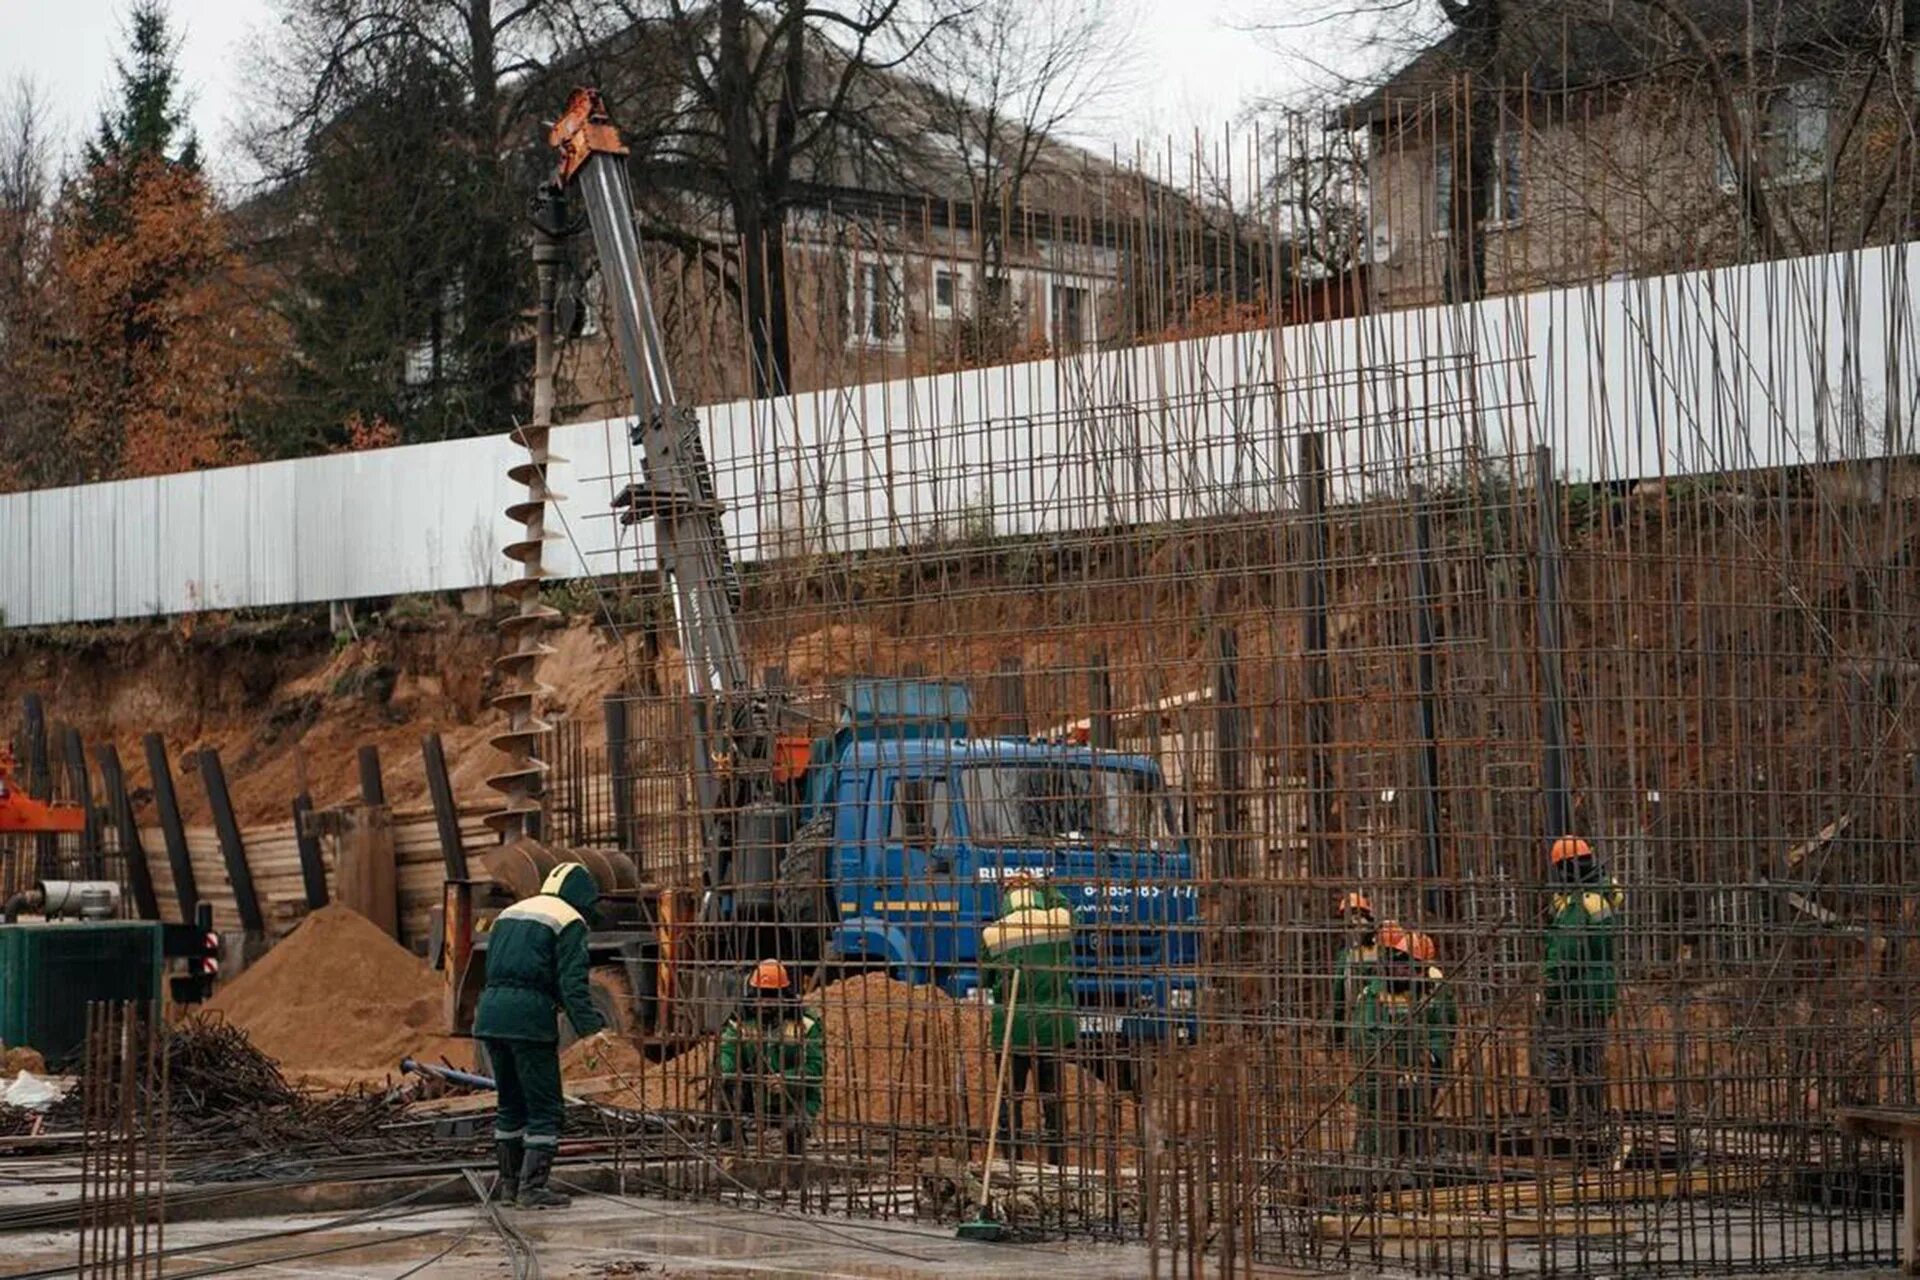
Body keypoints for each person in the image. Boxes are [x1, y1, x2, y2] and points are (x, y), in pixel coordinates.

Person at [473, 861, 607, 1209]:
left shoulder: (510, 912)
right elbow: (572, 984)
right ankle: (532, 1189)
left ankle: (509, 1186)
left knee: (510, 1104)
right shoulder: (569, 920)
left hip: (490, 1015)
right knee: (544, 1106)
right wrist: (591, 1031)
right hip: (527, 1022)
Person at [981, 874, 1078, 1166]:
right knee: (1052, 1097)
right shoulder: (1058, 921)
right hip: (1053, 1024)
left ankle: (1012, 1159)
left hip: (1013, 1027)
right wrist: (1045, 885)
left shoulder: (992, 933)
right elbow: (1065, 904)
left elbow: (986, 978)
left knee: (1010, 1098)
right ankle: (1056, 1161)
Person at [1537, 835, 1623, 1121]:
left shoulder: (1578, 902)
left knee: (1555, 1054)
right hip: (1599, 992)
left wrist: (1549, 990)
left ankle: (1559, 1117)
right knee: (1589, 1058)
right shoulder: (1601, 896)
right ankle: (1592, 1117)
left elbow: (1565, 953)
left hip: (1573, 994)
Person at [1356, 924, 1457, 1159]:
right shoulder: (1375, 993)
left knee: (1416, 1126)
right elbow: (1366, 1036)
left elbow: (1443, 1030)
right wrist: (1395, 1067)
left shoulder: (1432, 990)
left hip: (1421, 1076)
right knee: (1379, 1132)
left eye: (1412, 966)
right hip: (1381, 1079)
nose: (1405, 970)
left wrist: (1432, 1059)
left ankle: (1414, 1169)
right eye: (1401, 963)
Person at [715, 959, 825, 1156]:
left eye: (771, 997)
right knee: (727, 1085)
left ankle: (794, 1153)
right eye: (761, 996)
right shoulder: (741, 1021)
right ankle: (730, 1145)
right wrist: (725, 1069)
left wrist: (787, 1080)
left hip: (793, 1100)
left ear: (784, 995)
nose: (765, 1002)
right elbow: (728, 1052)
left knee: (794, 1128)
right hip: (753, 1096)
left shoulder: (805, 1023)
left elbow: (816, 1069)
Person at [1331, 891, 1379, 1051]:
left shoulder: (1348, 954)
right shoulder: (1382, 945)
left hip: (1362, 1017)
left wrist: (1335, 1039)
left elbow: (1338, 999)